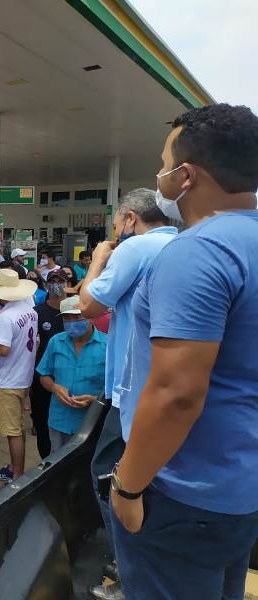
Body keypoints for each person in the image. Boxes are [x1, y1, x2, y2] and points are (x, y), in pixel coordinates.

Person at [108, 104, 258, 600]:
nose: (159, 176)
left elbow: (176, 394)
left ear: (186, 176)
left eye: (163, 162)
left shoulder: (199, 252)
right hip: (239, 487)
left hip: (180, 492)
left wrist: (127, 488)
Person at [78, 188, 177, 600]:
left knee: (110, 480)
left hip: (130, 394)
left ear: (130, 220)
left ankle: (128, 568)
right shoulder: (180, 244)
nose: (116, 231)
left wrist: (98, 260)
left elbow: (86, 306)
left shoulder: (133, 249)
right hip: (168, 390)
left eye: (118, 223)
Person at [0, 269, 38, 482]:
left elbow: (3, 350)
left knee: (12, 431)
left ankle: (17, 476)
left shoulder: (7, 316)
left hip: (9, 379)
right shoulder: (31, 310)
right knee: (18, 426)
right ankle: (15, 468)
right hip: (24, 375)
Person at [36, 296, 106, 450]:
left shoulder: (107, 346)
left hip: (91, 424)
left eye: (77, 317)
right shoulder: (56, 341)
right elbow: (44, 376)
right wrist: (55, 388)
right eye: (67, 318)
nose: (72, 322)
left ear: (91, 318)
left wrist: (94, 399)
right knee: (58, 468)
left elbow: (114, 388)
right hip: (59, 420)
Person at [30, 270, 69, 459]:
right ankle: (45, 461)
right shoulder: (38, 312)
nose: (56, 284)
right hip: (42, 375)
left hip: (68, 376)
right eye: (52, 281)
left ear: (67, 283)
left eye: (60, 281)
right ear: (46, 285)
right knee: (41, 421)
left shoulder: (74, 310)